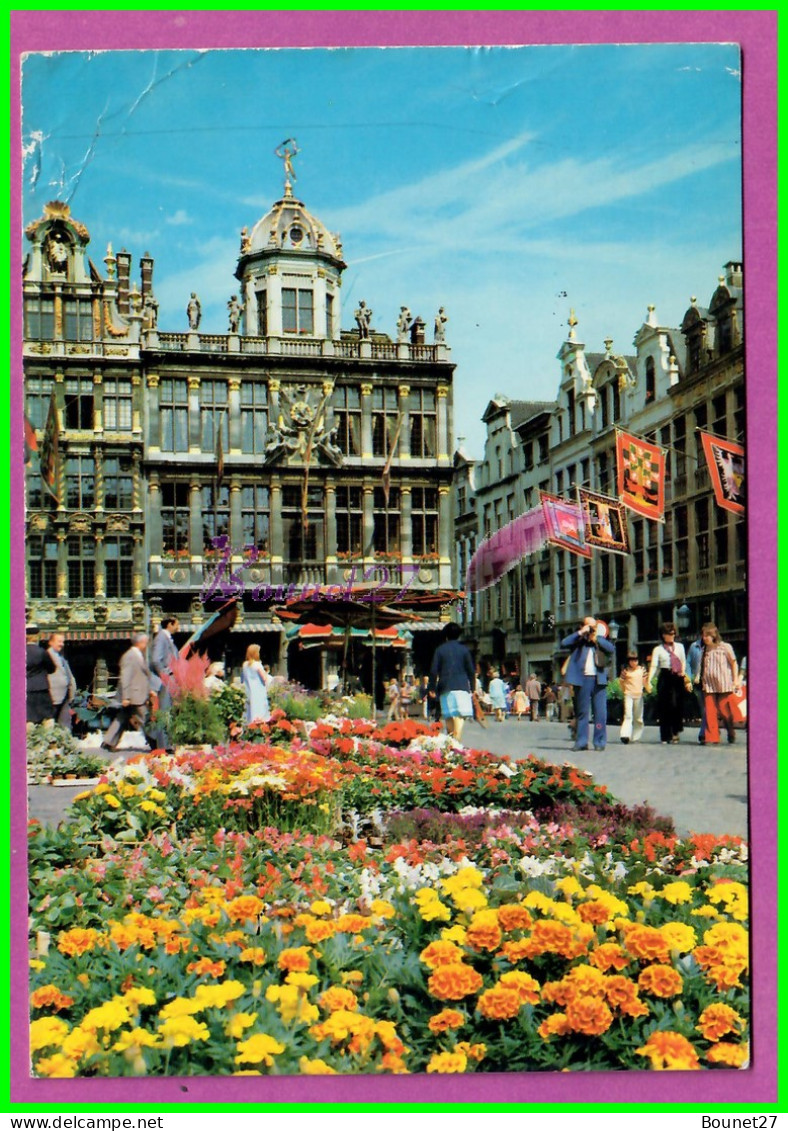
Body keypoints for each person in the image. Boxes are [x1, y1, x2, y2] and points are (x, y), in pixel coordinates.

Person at [560, 616, 616, 751]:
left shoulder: (600, 640)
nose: (592, 629)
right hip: (582, 679)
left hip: (599, 680)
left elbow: (611, 649)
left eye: (594, 626)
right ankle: (581, 741)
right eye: (589, 626)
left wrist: (596, 639)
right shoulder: (578, 641)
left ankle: (599, 741)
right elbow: (564, 643)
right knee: (582, 713)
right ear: (583, 626)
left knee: (600, 713)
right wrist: (581, 633)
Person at [101, 633, 154, 751]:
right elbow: (125, 677)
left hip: (136, 693)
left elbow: (140, 676)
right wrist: (126, 697)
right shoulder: (130, 656)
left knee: (122, 717)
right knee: (145, 718)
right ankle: (155, 743)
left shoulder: (137, 655)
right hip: (133, 695)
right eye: (146, 642)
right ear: (140, 642)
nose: (146, 645)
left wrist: (149, 690)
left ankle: (108, 742)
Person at [428, 622, 475, 741]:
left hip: (445, 687)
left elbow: (433, 671)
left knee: (449, 716)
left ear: (446, 635)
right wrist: (473, 688)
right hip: (462, 687)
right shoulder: (464, 650)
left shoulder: (440, 650)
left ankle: (452, 741)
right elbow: (471, 671)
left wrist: (432, 687)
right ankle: (456, 741)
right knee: (460, 716)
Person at [698, 622, 741, 745]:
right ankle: (712, 736)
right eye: (703, 635)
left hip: (723, 683)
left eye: (707, 635)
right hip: (709, 684)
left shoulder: (725, 647)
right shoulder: (704, 649)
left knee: (723, 709)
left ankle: (730, 730)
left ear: (714, 635)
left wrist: (736, 680)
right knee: (710, 711)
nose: (705, 638)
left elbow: (733, 663)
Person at [646, 622, 688, 745]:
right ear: (663, 635)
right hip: (665, 676)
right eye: (669, 634)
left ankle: (675, 731)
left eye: (673, 634)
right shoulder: (658, 649)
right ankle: (665, 735)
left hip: (677, 677)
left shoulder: (680, 647)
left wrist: (683, 673)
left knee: (676, 705)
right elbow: (654, 666)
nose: (672, 636)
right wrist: (649, 680)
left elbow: (683, 661)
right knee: (664, 706)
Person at [150, 615, 180, 749]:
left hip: (170, 681)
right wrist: (166, 674)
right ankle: (164, 745)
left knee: (168, 711)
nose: (178, 627)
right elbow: (156, 659)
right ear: (170, 624)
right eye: (176, 624)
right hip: (165, 681)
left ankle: (165, 743)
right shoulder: (161, 637)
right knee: (165, 711)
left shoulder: (167, 638)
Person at [47, 632, 77, 730]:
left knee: (65, 723)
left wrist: (72, 693)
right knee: (50, 724)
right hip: (52, 696)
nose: (62, 644)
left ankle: (65, 741)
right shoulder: (47, 656)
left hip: (65, 696)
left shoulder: (61, 657)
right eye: (59, 641)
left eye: (63, 642)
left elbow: (69, 676)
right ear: (51, 642)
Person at [26, 623, 55, 725]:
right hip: (42, 689)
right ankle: (47, 739)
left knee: (28, 720)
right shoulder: (42, 652)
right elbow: (52, 669)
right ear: (37, 636)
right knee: (47, 719)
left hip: (26, 690)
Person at [619, 651, 646, 744]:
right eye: (631, 660)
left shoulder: (642, 670)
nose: (634, 662)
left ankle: (636, 736)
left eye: (635, 660)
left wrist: (647, 689)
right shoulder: (625, 671)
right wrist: (625, 691)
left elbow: (645, 681)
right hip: (629, 695)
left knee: (638, 717)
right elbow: (621, 682)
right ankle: (625, 735)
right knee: (628, 715)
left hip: (639, 695)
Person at [686, 631, 707, 744]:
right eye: (704, 634)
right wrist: (688, 679)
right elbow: (688, 663)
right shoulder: (694, 646)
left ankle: (707, 731)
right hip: (698, 682)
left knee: (711, 709)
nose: (706, 637)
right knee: (704, 708)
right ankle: (703, 732)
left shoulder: (717, 647)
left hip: (712, 682)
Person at [241, 644, 271, 723]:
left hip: (248, 691)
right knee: (260, 712)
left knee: (249, 712)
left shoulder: (244, 665)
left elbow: (242, 679)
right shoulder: (257, 665)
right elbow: (264, 678)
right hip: (259, 692)